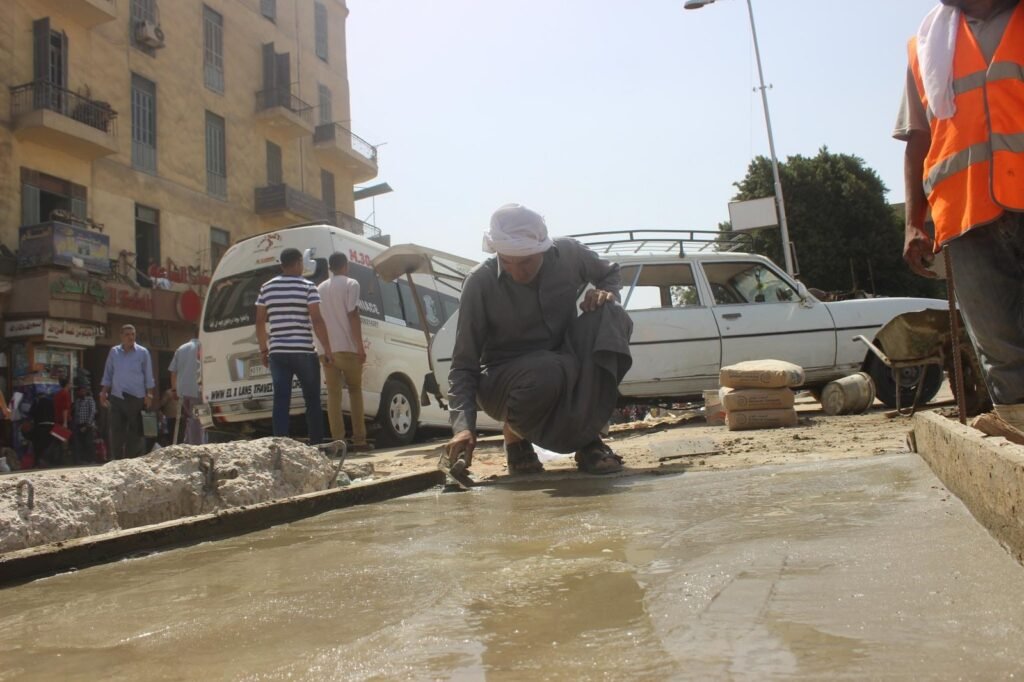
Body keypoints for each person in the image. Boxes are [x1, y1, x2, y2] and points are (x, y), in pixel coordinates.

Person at [896, 0, 1024, 429]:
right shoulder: (925, 46)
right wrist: (915, 221)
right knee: (996, 339)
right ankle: (1019, 426)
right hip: (966, 214)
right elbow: (918, 139)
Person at [445, 203, 633, 476]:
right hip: (505, 381)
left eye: (526, 262)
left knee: (611, 315)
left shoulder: (569, 254)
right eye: (507, 262)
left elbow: (610, 272)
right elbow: (463, 365)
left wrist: (605, 292)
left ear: (543, 249)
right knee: (549, 369)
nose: (517, 272)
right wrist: (463, 428)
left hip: (565, 360)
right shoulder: (479, 283)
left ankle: (589, 440)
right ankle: (516, 436)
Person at [255, 247, 333, 445]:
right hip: (304, 351)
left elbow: (259, 321)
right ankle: (316, 445)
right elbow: (317, 319)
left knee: (281, 400)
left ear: (282, 265)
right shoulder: (308, 286)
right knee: (312, 400)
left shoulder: (266, 287)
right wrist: (327, 348)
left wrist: (264, 349)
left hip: (278, 352)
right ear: (299, 263)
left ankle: (280, 445)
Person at [316, 252, 371, 452]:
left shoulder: (319, 288)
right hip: (347, 348)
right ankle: (359, 440)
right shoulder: (351, 284)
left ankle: (337, 442)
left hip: (326, 349)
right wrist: (360, 346)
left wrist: (324, 347)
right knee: (355, 391)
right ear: (345, 265)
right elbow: (352, 314)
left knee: (333, 395)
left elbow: (317, 319)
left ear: (330, 267)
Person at [100, 324, 156, 459]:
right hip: (117, 397)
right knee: (116, 431)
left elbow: (148, 375)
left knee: (134, 434)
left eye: (132, 334)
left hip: (136, 398)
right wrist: (103, 392)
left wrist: (149, 394)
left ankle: (133, 461)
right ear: (121, 336)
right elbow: (108, 373)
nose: (130, 337)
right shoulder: (114, 352)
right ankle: (116, 462)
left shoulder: (143, 352)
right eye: (127, 334)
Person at [168, 334, 206, 445]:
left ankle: (188, 442)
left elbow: (173, 372)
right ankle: (196, 445)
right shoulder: (202, 347)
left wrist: (174, 389)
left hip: (183, 391)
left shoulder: (181, 348)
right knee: (197, 419)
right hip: (197, 389)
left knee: (189, 417)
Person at [71, 380, 96, 464]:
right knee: (80, 443)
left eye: (83, 390)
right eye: (80, 391)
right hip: (79, 425)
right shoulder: (77, 401)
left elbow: (92, 412)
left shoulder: (90, 400)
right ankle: (83, 460)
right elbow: (76, 413)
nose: (81, 392)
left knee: (89, 443)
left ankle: (91, 460)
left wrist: (87, 425)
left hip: (87, 425)